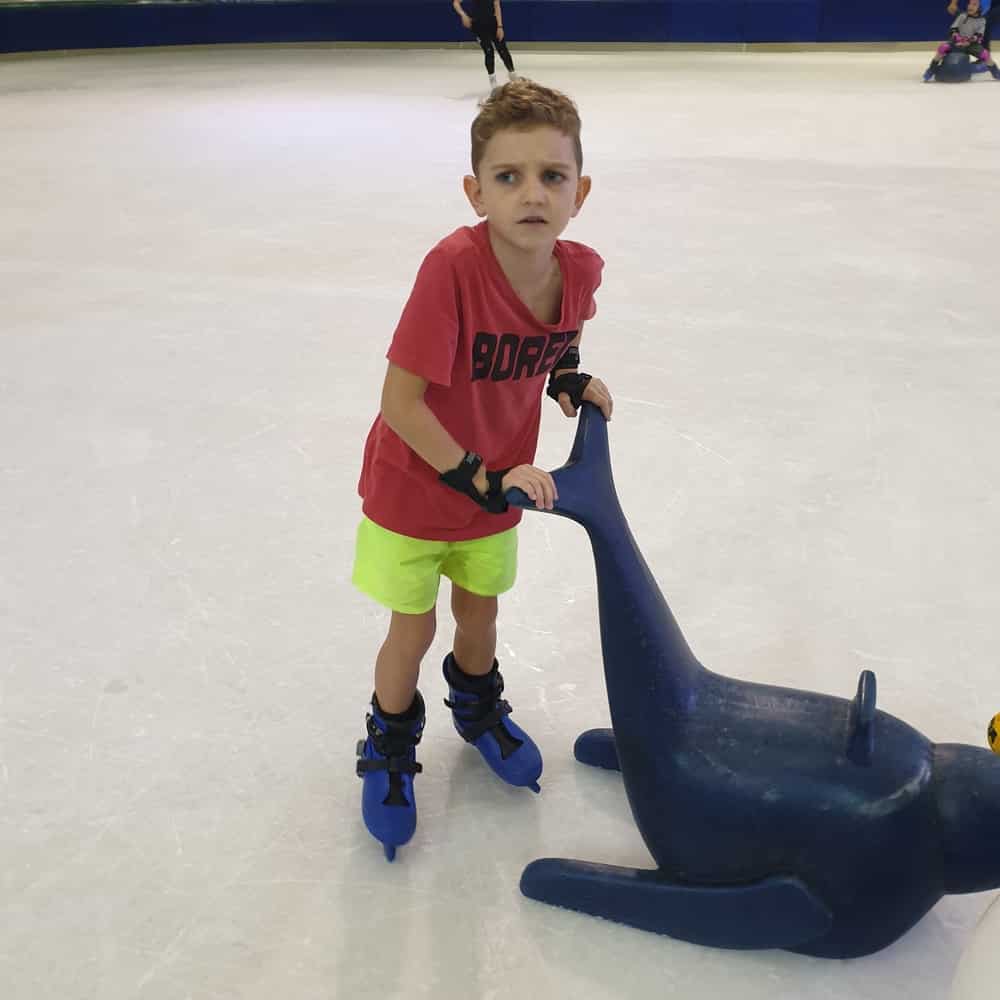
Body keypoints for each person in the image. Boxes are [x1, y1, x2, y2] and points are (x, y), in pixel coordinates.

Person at [352, 79, 613, 861]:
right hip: (414, 488)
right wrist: (473, 475)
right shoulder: (453, 270)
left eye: (551, 176)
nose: (532, 193)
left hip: (499, 487)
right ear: (476, 191)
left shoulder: (578, 271)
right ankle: (389, 745)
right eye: (508, 177)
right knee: (415, 624)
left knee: (480, 613)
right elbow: (401, 400)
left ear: (580, 191)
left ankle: (476, 708)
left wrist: (565, 377)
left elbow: (556, 336)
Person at [923, 0, 1000, 80]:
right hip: (957, 42)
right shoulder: (962, 16)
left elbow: (979, 35)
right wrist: (956, 37)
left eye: (974, 5)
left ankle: (995, 72)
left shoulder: (982, 21)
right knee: (942, 48)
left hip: (971, 44)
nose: (970, 6)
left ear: (980, 8)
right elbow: (953, 28)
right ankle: (931, 69)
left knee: (985, 54)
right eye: (969, 4)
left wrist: (968, 42)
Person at [453, 0, 519, 93]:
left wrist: (500, 26)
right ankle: (493, 81)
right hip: (478, 25)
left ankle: (513, 75)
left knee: (503, 49)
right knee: (489, 51)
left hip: (493, 23)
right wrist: (463, 15)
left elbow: (497, 6)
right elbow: (456, 2)